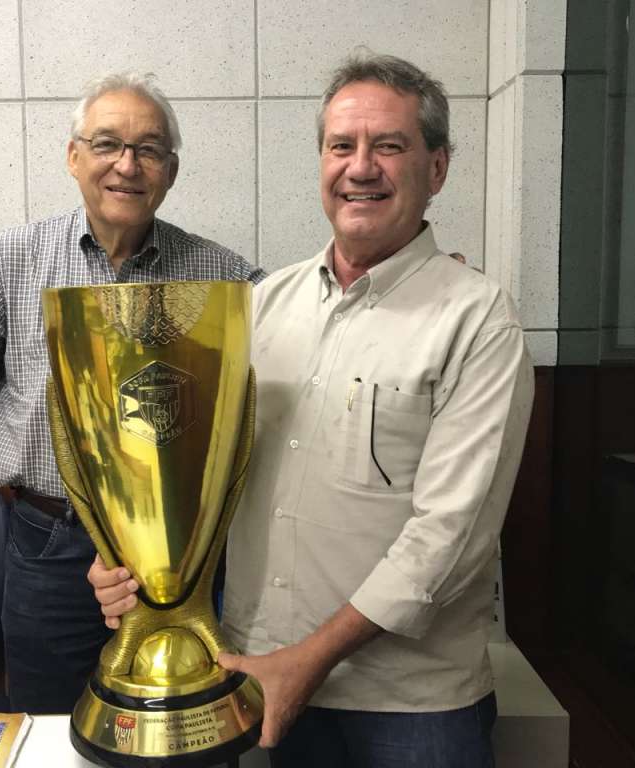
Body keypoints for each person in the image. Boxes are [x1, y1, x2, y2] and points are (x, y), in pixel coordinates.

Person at [91, 52, 534, 767]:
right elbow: (197, 482)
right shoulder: (263, 308)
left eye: (389, 145)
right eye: (341, 146)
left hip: (409, 705)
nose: (360, 168)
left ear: (438, 169)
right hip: (264, 673)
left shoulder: (477, 321)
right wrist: (127, 561)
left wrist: (311, 658)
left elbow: (449, 539)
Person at [0, 71, 265, 714]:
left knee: (191, 734)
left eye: (149, 149)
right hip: (51, 546)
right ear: (73, 157)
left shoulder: (226, 276)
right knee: (51, 726)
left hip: (191, 554)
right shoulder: (13, 259)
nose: (127, 165)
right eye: (106, 144)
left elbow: (306, 353)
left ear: (171, 170)